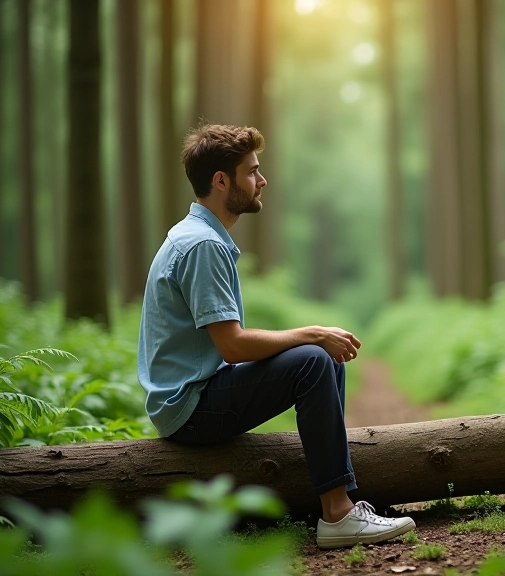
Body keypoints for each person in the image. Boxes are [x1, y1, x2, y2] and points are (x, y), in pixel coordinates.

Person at [137, 124, 415, 549]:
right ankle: (338, 515)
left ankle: (337, 502)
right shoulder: (201, 246)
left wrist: (315, 339)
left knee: (323, 360)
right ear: (221, 181)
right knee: (313, 359)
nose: (262, 180)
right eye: (252, 172)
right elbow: (232, 345)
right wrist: (312, 334)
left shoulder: (202, 236)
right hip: (189, 408)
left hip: (195, 394)